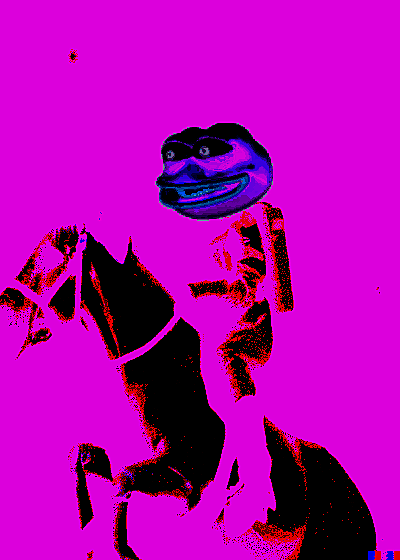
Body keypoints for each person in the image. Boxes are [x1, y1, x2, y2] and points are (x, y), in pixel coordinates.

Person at [0, 123, 376, 559]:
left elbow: (256, 288)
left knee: (223, 358)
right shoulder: (210, 233)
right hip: (213, 321)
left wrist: (204, 288)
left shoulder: (257, 222)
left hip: (244, 328)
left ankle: (256, 480)